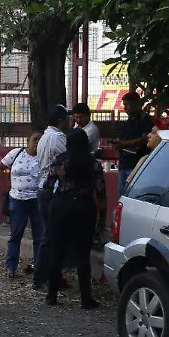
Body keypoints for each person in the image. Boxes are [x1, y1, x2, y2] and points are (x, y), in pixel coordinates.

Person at [44, 130, 106, 310]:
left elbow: (48, 185)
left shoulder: (59, 161)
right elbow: (101, 193)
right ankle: (86, 299)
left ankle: (51, 295)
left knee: (57, 252)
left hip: (60, 206)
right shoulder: (93, 164)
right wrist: (101, 218)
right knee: (82, 254)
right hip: (84, 208)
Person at [32, 105, 70, 291]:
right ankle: (41, 277)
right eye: (67, 118)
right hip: (52, 189)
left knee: (54, 234)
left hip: (43, 188)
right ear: (61, 121)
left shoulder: (45, 136)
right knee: (50, 235)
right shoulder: (58, 138)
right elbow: (67, 160)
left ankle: (52, 275)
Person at [0, 131, 44, 279]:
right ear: (27, 140)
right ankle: (11, 267)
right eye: (35, 139)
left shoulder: (43, 157)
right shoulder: (16, 153)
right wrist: (9, 186)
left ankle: (39, 268)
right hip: (17, 200)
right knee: (16, 234)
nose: (37, 142)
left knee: (39, 235)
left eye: (40, 140)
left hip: (37, 200)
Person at [114, 91, 155, 195]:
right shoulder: (127, 122)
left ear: (136, 104)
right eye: (124, 105)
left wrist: (125, 144)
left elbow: (145, 139)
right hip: (124, 164)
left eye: (127, 104)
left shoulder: (144, 120)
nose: (125, 108)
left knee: (132, 195)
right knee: (122, 196)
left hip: (136, 164)